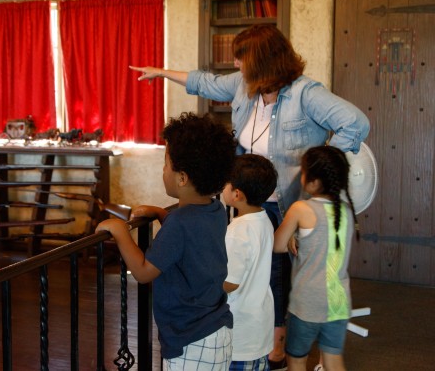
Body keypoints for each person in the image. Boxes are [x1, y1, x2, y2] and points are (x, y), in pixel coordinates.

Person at [130, 23, 370, 369]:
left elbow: (356, 124)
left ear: (262, 61)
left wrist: (319, 166)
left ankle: (278, 341)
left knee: (281, 273)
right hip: (252, 197)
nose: (237, 65)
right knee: (256, 268)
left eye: (241, 59)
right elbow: (206, 82)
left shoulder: (305, 93)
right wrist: (161, 72)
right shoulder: (245, 88)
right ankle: (262, 338)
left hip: (288, 201)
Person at [97, 112, 237, 371]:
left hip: (190, 341)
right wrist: (163, 215)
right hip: (216, 329)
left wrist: (120, 231)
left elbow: (142, 272)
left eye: (166, 163)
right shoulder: (215, 210)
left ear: (182, 178)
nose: (163, 170)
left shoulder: (180, 223)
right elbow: (191, 239)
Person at [273, 146, 356, 371]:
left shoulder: (301, 208)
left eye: (302, 172)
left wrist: (291, 234)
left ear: (314, 181)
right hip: (339, 302)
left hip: (307, 303)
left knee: (297, 360)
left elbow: (278, 245)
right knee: (333, 359)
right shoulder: (347, 211)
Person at [222, 154, 277, 371]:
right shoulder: (263, 219)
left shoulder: (237, 231)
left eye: (226, 183)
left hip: (241, 331)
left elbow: (230, 283)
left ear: (237, 194)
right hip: (259, 324)